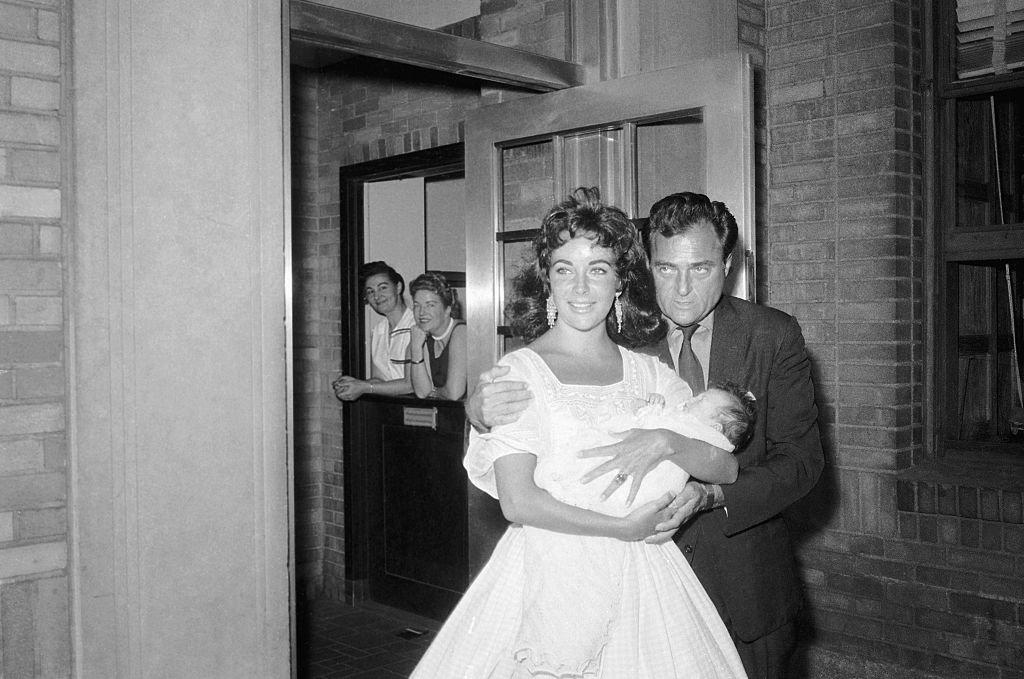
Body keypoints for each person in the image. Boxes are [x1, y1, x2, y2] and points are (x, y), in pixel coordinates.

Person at [467, 191, 825, 679]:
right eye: (665, 268)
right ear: (643, 268)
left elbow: (800, 463)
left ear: (728, 264)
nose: (680, 290)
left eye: (699, 268)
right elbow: (547, 397)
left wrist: (709, 492)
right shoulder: (620, 336)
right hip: (606, 583)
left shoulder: (772, 335)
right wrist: (478, 410)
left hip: (744, 585)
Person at [411, 188, 747, 679]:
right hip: (553, 574)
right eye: (565, 269)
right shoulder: (518, 374)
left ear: (619, 282)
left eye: (599, 269)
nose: (581, 288)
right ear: (547, 282)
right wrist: (620, 529)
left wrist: (667, 441)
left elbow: (727, 465)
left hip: (646, 582)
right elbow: (518, 503)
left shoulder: (650, 375)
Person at [332, 261, 414, 400]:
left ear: (398, 287)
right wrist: (354, 384)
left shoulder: (416, 326)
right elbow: (379, 379)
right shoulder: (378, 330)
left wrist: (365, 387)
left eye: (383, 288)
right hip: (389, 408)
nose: (377, 296)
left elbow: (411, 384)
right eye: (370, 291)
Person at [408, 271, 468, 400]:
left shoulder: (461, 332)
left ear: (447, 309)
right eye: (417, 305)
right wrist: (416, 350)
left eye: (430, 305)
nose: (421, 312)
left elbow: (454, 393)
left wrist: (432, 391)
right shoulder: (421, 337)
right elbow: (421, 392)